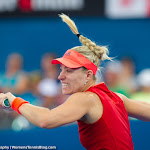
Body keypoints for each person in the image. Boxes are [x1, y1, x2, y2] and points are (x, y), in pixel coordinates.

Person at [0, 14, 150, 150]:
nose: (60, 76)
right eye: (61, 69)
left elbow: (45, 120)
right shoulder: (117, 97)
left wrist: (14, 101)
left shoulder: (86, 98)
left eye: (69, 70)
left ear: (88, 75)